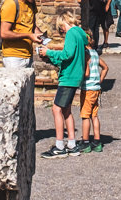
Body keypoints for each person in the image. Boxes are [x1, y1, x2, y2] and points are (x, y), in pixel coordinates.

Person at [41, 14, 88, 158]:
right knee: (66, 110)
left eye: (61, 30)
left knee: (56, 109)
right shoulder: (80, 33)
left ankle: (60, 145)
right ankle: (72, 144)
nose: (62, 32)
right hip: (75, 76)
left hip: (68, 77)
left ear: (63, 24)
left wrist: (48, 52)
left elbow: (67, 54)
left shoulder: (72, 33)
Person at [0, 0, 45, 68]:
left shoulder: (31, 3)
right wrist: (28, 35)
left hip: (28, 56)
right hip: (13, 57)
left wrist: (41, 37)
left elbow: (32, 25)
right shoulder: (11, 4)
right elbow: (4, 33)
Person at [79, 39, 109, 151]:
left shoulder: (86, 54)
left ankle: (85, 142)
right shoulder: (95, 53)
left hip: (88, 89)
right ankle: (97, 141)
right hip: (96, 88)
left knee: (85, 115)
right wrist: (99, 81)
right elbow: (105, 67)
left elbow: (86, 73)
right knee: (94, 115)